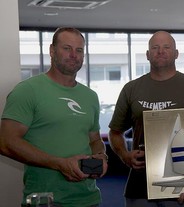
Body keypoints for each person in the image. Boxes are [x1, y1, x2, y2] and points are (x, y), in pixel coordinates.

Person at [0, 27, 108, 207]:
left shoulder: (90, 96)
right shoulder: (28, 90)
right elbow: (5, 142)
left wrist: (101, 156)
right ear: (52, 51)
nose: (74, 54)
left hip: (89, 199)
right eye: (67, 48)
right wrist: (59, 164)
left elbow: (94, 139)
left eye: (79, 50)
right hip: (46, 200)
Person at [108, 31, 184, 207]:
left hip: (183, 188)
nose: (160, 51)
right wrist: (125, 155)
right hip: (139, 187)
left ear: (176, 53)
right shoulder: (131, 89)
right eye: (155, 47)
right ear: (147, 55)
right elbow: (115, 132)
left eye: (166, 47)